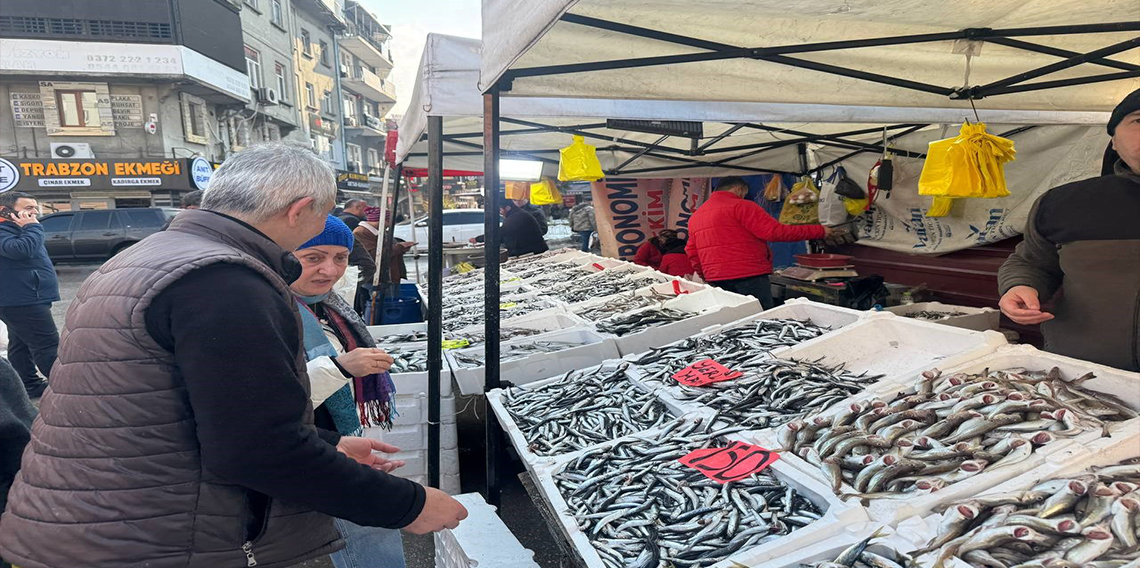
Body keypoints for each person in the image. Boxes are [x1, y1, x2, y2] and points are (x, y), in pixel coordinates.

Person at [0, 143, 467, 568]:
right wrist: (409, 505)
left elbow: (181, 409)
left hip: (89, 522)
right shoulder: (224, 282)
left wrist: (330, 446)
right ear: (301, 210)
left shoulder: (147, 257)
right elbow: (258, 449)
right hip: (151, 539)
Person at [292, 215, 409, 568]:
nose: (329, 269)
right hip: (303, 447)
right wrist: (343, 367)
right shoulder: (269, 310)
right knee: (371, 526)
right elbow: (273, 399)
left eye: (340, 258)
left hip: (328, 440)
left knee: (369, 528)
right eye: (313, 257)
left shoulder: (328, 305)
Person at [998, 88, 1140, 372]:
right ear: (1113, 139)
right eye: (1139, 121)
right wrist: (1020, 286)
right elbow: (1032, 262)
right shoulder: (1063, 203)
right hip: (1081, 378)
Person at [686, 176, 836, 309]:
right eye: (744, 193)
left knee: (732, 320)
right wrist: (819, 231)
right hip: (749, 275)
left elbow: (691, 251)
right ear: (739, 189)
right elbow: (775, 232)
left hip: (717, 279)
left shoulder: (696, 216)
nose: (744, 196)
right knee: (759, 319)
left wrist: (705, 275)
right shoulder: (743, 206)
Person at [0, 191, 59, 399]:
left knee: (21, 342)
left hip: (26, 295)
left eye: (35, 208)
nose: (35, 212)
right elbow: (20, 250)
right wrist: (32, 227)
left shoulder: (16, 228)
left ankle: (29, 385)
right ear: (5, 211)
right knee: (48, 344)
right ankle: (68, 388)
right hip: (22, 298)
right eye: (28, 208)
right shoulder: (5, 230)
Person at [472, 200, 549, 257]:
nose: (500, 212)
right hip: (526, 251)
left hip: (534, 252)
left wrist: (478, 239)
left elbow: (500, 232)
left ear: (508, 208)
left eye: (500, 209)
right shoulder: (515, 215)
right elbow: (506, 235)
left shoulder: (517, 216)